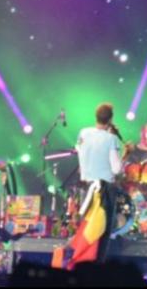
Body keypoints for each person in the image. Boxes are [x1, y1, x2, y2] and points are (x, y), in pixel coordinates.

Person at [53, 102, 123, 268]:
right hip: (103, 191)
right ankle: (90, 267)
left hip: (86, 188)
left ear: (96, 116)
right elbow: (116, 169)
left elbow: (80, 149)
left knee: (85, 228)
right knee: (99, 235)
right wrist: (117, 145)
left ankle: (71, 259)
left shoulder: (83, 132)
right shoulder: (111, 139)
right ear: (110, 119)